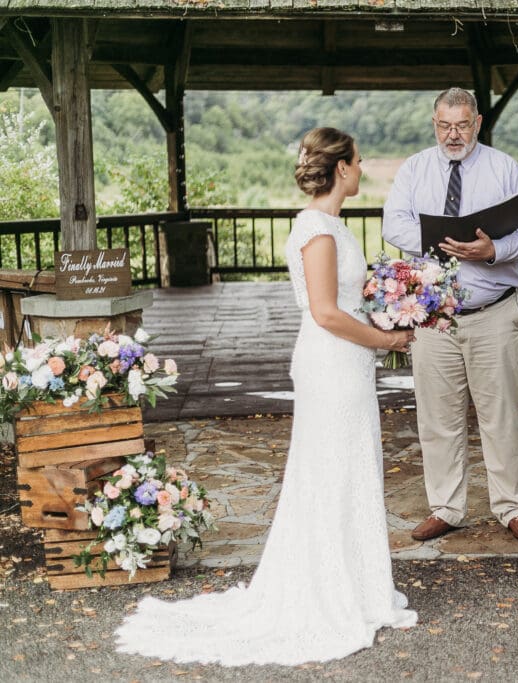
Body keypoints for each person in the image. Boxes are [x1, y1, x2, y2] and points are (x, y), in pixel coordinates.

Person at [115, 128, 418, 665]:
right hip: (332, 363)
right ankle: (328, 592)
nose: (362, 168)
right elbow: (325, 313)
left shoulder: (321, 226)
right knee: (332, 471)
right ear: (340, 168)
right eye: (357, 161)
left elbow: (341, 304)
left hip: (342, 362)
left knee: (345, 467)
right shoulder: (319, 232)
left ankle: (355, 582)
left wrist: (389, 310)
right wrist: (389, 338)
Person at [383, 87, 518, 544]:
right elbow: (392, 222)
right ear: (434, 123)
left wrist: (494, 249)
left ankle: (512, 506)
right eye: (444, 125)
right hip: (435, 316)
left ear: (477, 122)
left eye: (462, 125)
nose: (453, 134)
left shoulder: (504, 167)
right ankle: (447, 507)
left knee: (501, 416)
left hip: (493, 312)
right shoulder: (415, 168)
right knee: (437, 419)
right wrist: (443, 243)